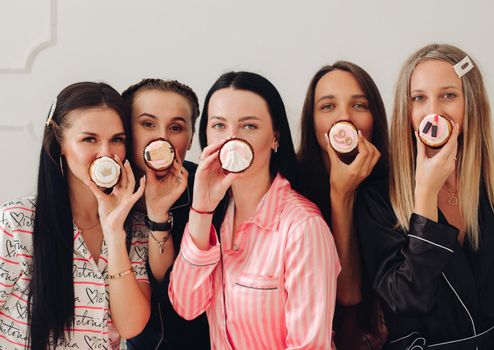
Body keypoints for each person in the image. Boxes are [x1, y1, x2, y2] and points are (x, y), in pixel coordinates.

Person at [356, 44, 494, 349]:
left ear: (470, 103)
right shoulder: (377, 201)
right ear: (407, 111)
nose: (432, 112)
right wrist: (425, 195)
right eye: (419, 98)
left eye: (448, 95)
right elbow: (405, 301)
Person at [169, 71, 340, 349]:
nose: (232, 139)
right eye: (219, 125)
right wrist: (201, 210)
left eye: (249, 126)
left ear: (275, 137)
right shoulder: (216, 217)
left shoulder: (302, 227)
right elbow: (187, 305)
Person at [0, 82, 150, 349]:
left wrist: (114, 232)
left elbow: (131, 325)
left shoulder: (135, 230)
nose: (106, 153)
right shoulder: (16, 224)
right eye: (89, 139)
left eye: (117, 139)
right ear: (60, 146)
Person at [297, 61, 388, 349]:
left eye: (359, 106)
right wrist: (340, 193)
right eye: (327, 107)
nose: (344, 118)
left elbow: (353, 297)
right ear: (311, 121)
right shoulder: (289, 184)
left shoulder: (396, 187)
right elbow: (341, 294)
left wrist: (344, 194)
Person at [122, 79, 210, 349]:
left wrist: (159, 215)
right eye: (148, 124)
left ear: (191, 139)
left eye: (176, 127)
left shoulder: (209, 189)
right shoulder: (109, 193)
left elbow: (175, 293)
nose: (162, 138)